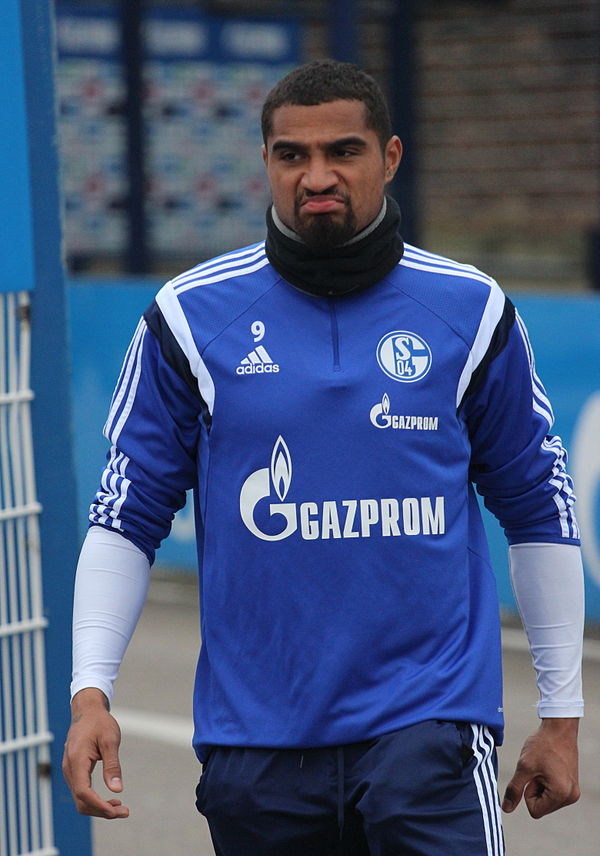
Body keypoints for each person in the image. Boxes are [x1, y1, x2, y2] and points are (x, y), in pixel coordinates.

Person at [63, 59, 584, 855]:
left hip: (428, 732)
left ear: (391, 157)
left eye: (343, 151)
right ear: (266, 161)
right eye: (291, 155)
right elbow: (124, 520)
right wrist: (90, 693)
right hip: (256, 750)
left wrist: (561, 715)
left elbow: (539, 509)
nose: (317, 176)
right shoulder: (188, 319)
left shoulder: (470, 313)